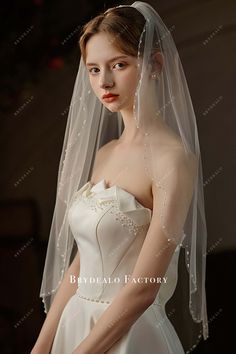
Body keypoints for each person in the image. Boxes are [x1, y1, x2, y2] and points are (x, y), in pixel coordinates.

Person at [31, 2, 209, 353]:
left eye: (119, 65)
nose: (104, 82)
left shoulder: (173, 159)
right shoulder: (105, 153)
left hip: (130, 335)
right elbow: (80, 265)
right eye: (94, 70)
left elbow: (145, 286)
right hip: (76, 323)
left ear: (155, 65)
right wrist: (42, 346)